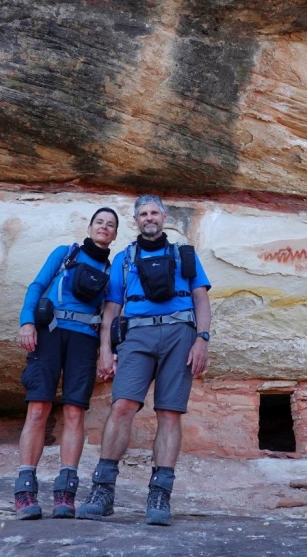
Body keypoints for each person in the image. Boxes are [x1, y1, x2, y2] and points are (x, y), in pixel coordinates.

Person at [76, 195, 211, 526]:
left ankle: (160, 494)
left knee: (168, 413)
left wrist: (202, 340)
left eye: (154, 212)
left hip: (180, 334)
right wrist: (106, 350)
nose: (149, 218)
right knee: (122, 406)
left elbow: (201, 300)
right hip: (136, 335)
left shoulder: (184, 256)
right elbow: (111, 310)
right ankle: (102, 491)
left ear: (164, 217)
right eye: (143, 214)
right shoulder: (124, 259)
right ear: (135, 220)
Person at [13, 207, 119, 520]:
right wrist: (27, 321)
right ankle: (25, 489)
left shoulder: (113, 271)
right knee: (38, 408)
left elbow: (110, 314)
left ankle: (65, 491)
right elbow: (36, 286)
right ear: (89, 227)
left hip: (84, 340)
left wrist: (106, 350)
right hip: (50, 333)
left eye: (110, 225)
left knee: (74, 411)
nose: (104, 227)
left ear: (114, 234)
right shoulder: (65, 253)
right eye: (99, 222)